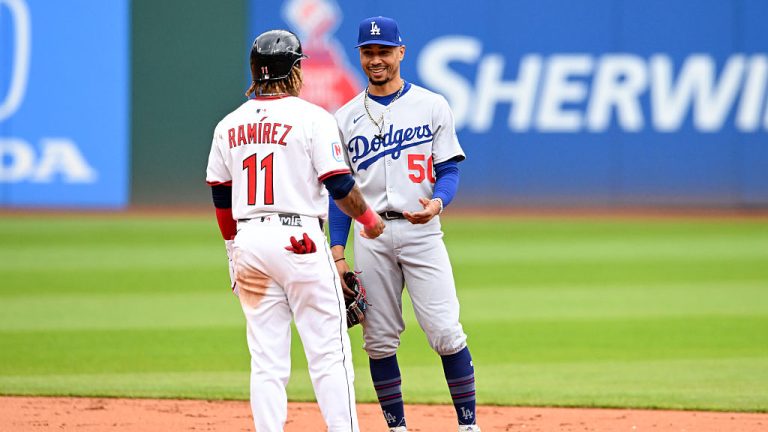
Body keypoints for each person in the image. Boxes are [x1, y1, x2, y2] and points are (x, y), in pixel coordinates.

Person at [206, 29, 385, 432]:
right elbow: (339, 184)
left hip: (249, 242)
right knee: (328, 354)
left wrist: (233, 251)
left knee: (266, 360)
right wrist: (370, 223)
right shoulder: (312, 118)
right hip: (299, 239)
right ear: (294, 69)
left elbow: (221, 196)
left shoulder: (228, 124)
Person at [328, 16, 481, 432]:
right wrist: (338, 253)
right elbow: (340, 193)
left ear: (401, 52)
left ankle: (468, 426)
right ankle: (397, 428)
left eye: (383, 51)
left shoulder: (432, 105)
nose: (375, 59)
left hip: (423, 232)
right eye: (368, 52)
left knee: (447, 332)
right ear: (360, 55)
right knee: (377, 340)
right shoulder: (343, 118)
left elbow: (448, 168)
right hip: (370, 236)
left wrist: (438, 202)